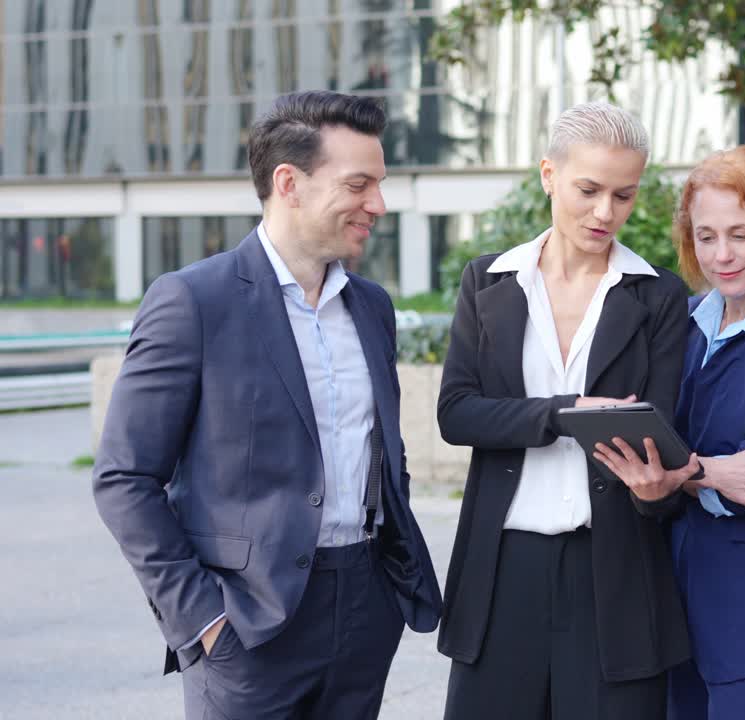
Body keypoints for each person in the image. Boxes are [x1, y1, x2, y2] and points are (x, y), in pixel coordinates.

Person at [92, 90, 442, 719]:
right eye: (359, 184)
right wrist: (201, 619)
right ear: (290, 183)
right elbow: (124, 477)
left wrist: (385, 589)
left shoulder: (372, 307)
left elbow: (380, 452)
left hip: (365, 606)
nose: (378, 205)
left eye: (379, 184)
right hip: (247, 625)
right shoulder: (193, 302)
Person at [435, 101, 693, 720]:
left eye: (624, 195)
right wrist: (562, 412)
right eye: (588, 189)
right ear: (549, 175)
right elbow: (456, 412)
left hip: (614, 572)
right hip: (502, 569)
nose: (606, 212)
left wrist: (657, 489)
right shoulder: (489, 281)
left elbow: (663, 434)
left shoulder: (658, 296)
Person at [594, 144, 745, 720]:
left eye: (740, 234)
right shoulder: (679, 324)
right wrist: (710, 471)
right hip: (666, 609)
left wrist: (678, 472)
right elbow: (635, 449)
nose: (722, 255)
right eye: (706, 236)